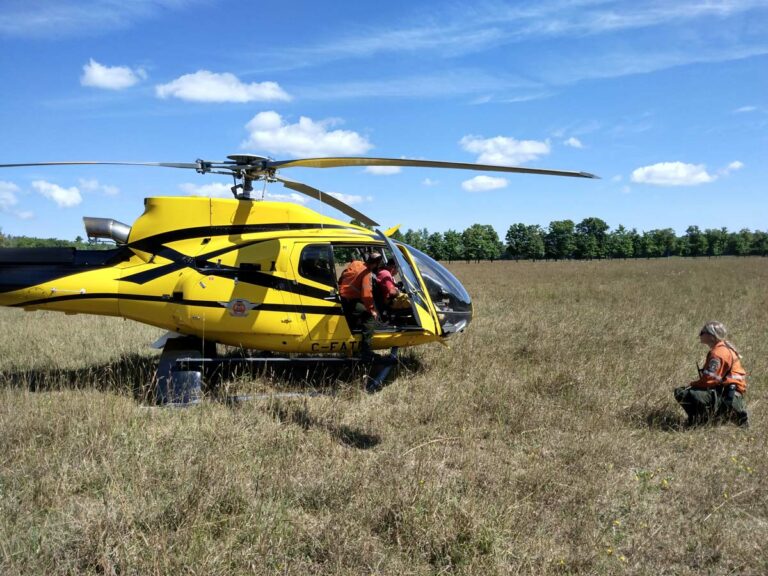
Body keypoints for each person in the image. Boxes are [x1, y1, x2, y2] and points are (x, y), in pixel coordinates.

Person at [674, 321, 749, 428]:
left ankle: (699, 421)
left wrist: (692, 384)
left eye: (702, 332)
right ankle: (717, 417)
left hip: (728, 398)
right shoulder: (724, 348)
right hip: (732, 396)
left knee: (682, 392)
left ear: (711, 336)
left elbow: (709, 381)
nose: (700, 335)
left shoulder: (718, 353)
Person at [338, 251, 382, 360]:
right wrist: (372, 310)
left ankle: (353, 346)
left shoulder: (356, 263)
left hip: (342, 297)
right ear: (376, 264)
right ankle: (366, 350)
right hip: (351, 301)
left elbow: (343, 275)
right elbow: (367, 295)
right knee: (369, 317)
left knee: (359, 312)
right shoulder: (367, 274)